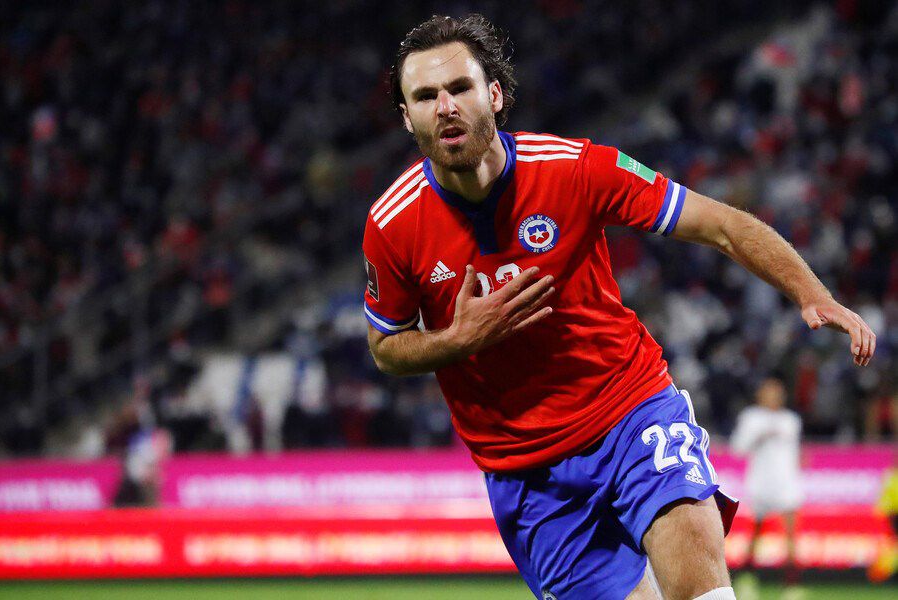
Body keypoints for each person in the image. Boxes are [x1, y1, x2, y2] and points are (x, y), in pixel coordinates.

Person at [362, 14, 876, 600]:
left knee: (700, 594)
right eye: (425, 96)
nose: (445, 106)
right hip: (526, 472)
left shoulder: (577, 168)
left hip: (629, 413)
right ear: (408, 118)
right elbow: (386, 347)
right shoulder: (392, 225)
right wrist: (457, 340)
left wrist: (811, 292)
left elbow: (722, 225)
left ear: (494, 94)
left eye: (459, 87)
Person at [730, 378, 803, 597]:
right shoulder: (751, 418)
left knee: (790, 533)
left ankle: (791, 586)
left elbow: (794, 452)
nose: (773, 397)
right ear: (760, 395)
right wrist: (759, 436)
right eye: (769, 392)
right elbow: (737, 448)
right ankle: (747, 578)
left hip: (786, 482)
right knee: (756, 532)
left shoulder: (791, 420)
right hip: (761, 482)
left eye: (777, 393)